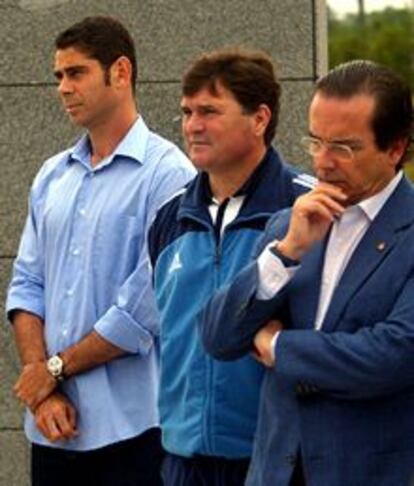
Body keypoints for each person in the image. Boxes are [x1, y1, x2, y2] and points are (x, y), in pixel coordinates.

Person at [200, 59, 414, 486]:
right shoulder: (289, 224)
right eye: (316, 141)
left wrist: (278, 346)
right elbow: (218, 337)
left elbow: (393, 354)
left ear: (395, 149)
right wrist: (286, 253)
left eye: (344, 147)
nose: (322, 161)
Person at [6, 15, 195, 486]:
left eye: (76, 73)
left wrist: (53, 369)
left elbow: (145, 308)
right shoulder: (52, 176)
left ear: (121, 72)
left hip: (132, 433)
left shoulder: (169, 174)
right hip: (52, 430)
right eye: (58, 76)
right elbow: (27, 285)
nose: (63, 88)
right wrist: (42, 386)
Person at [148, 48, 313, 486]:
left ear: (259, 119)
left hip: (276, 462)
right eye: (187, 112)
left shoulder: (304, 210)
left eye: (209, 111)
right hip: (183, 461)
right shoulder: (169, 217)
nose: (192, 126)